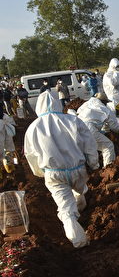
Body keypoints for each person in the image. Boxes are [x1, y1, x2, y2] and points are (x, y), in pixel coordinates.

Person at [24, 91, 99, 248]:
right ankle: (81, 209)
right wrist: (94, 164)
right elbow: (89, 144)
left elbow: (30, 155)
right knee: (79, 191)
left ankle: (78, 240)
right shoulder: (73, 120)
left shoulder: (33, 128)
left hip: (54, 173)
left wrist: (39, 172)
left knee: (65, 208)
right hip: (78, 169)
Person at [76, 94, 119, 167]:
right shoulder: (105, 109)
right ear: (103, 101)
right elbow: (114, 127)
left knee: (88, 149)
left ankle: (93, 170)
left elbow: (78, 112)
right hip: (89, 128)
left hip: (77, 126)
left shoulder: (87, 103)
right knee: (108, 146)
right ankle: (109, 167)